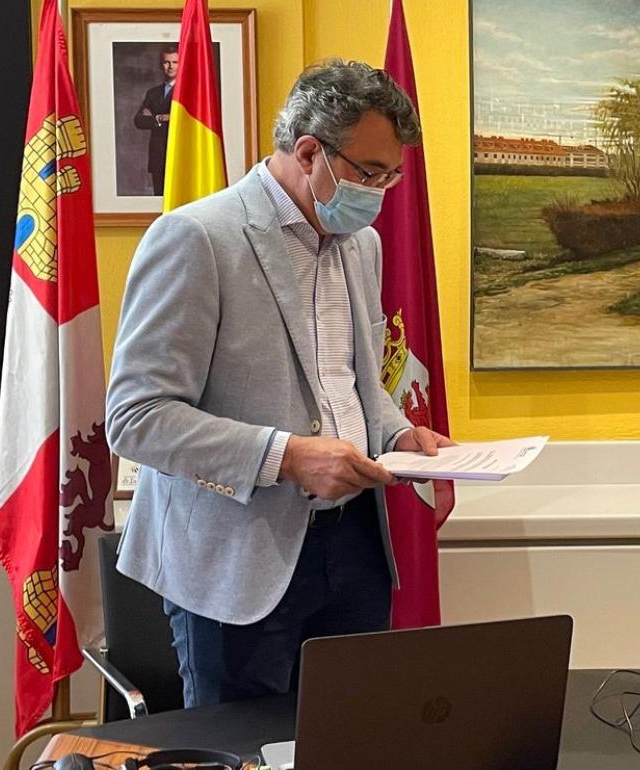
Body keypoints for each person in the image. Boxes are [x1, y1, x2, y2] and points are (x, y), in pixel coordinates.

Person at [106, 59, 453, 707]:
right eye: (370, 172)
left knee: (352, 738)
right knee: (243, 750)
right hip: (236, 558)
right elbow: (137, 416)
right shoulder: (196, 239)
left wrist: (398, 429)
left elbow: (349, 381)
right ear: (309, 152)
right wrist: (287, 456)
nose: (382, 191)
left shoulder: (361, 243)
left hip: (354, 546)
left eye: (392, 174)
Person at [132, 46, 177, 195]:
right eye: (166, 62)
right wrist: (162, 117)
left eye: (175, 62)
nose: (170, 66)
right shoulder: (153, 93)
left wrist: (153, 117)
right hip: (158, 155)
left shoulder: (188, 92)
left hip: (180, 153)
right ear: (160, 65)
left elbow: (187, 120)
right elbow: (138, 120)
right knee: (158, 199)